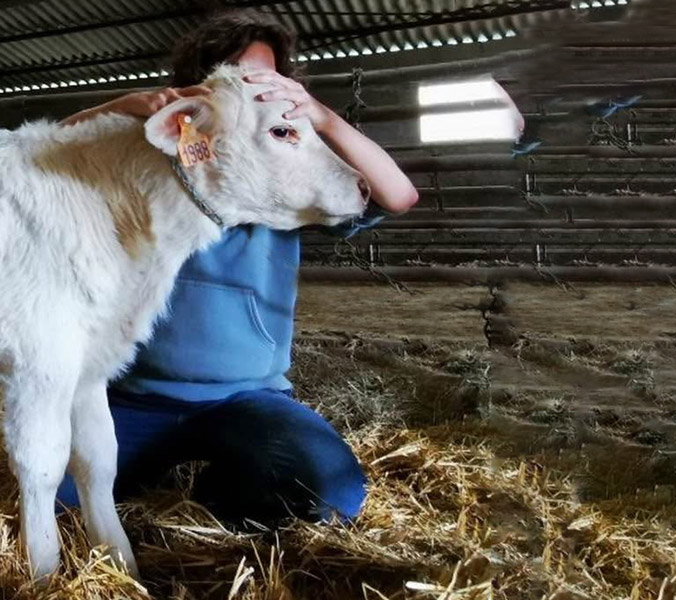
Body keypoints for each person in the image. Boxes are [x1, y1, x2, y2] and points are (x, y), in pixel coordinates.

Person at [56, 8, 418, 526]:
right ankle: (145, 471)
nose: (252, 86)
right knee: (57, 499)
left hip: (245, 398)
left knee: (329, 492)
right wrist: (123, 105)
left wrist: (319, 116)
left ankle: (216, 490)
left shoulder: (289, 176)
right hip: (130, 396)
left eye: (267, 78)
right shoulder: (150, 160)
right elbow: (39, 159)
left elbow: (398, 195)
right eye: (235, 74)